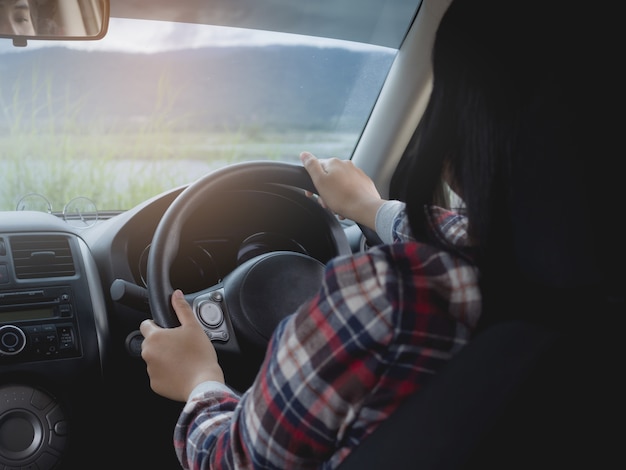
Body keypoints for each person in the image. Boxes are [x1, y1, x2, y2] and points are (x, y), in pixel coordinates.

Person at [140, 0, 614, 468]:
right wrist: (370, 207)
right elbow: (468, 237)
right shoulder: (569, 283)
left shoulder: (388, 299)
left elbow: (234, 460)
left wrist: (199, 379)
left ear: (458, 136)